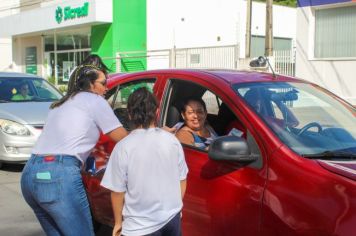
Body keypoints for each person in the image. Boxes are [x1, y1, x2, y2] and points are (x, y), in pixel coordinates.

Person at [20, 58, 128, 236]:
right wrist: (156, 133)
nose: (106, 88)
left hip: (29, 174)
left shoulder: (60, 104)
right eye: (103, 83)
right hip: (57, 176)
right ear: (91, 85)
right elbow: (123, 138)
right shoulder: (94, 100)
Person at [101, 87, 188, 236]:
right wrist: (176, 207)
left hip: (139, 226)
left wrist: (118, 223)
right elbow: (182, 179)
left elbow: (117, 191)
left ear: (129, 114)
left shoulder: (123, 146)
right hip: (172, 220)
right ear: (156, 111)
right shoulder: (172, 141)